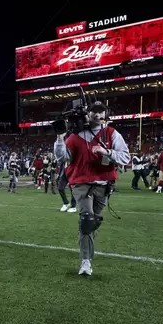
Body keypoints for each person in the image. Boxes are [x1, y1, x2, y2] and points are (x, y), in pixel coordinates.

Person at [53, 101, 130, 276]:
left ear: (105, 115)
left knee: (93, 224)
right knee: (86, 220)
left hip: (103, 185)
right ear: (88, 114)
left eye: (100, 111)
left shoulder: (112, 134)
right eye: (93, 111)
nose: (97, 115)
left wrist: (107, 153)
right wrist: (59, 138)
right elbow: (62, 158)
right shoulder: (75, 136)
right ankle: (86, 261)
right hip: (81, 184)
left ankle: (87, 250)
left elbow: (125, 157)